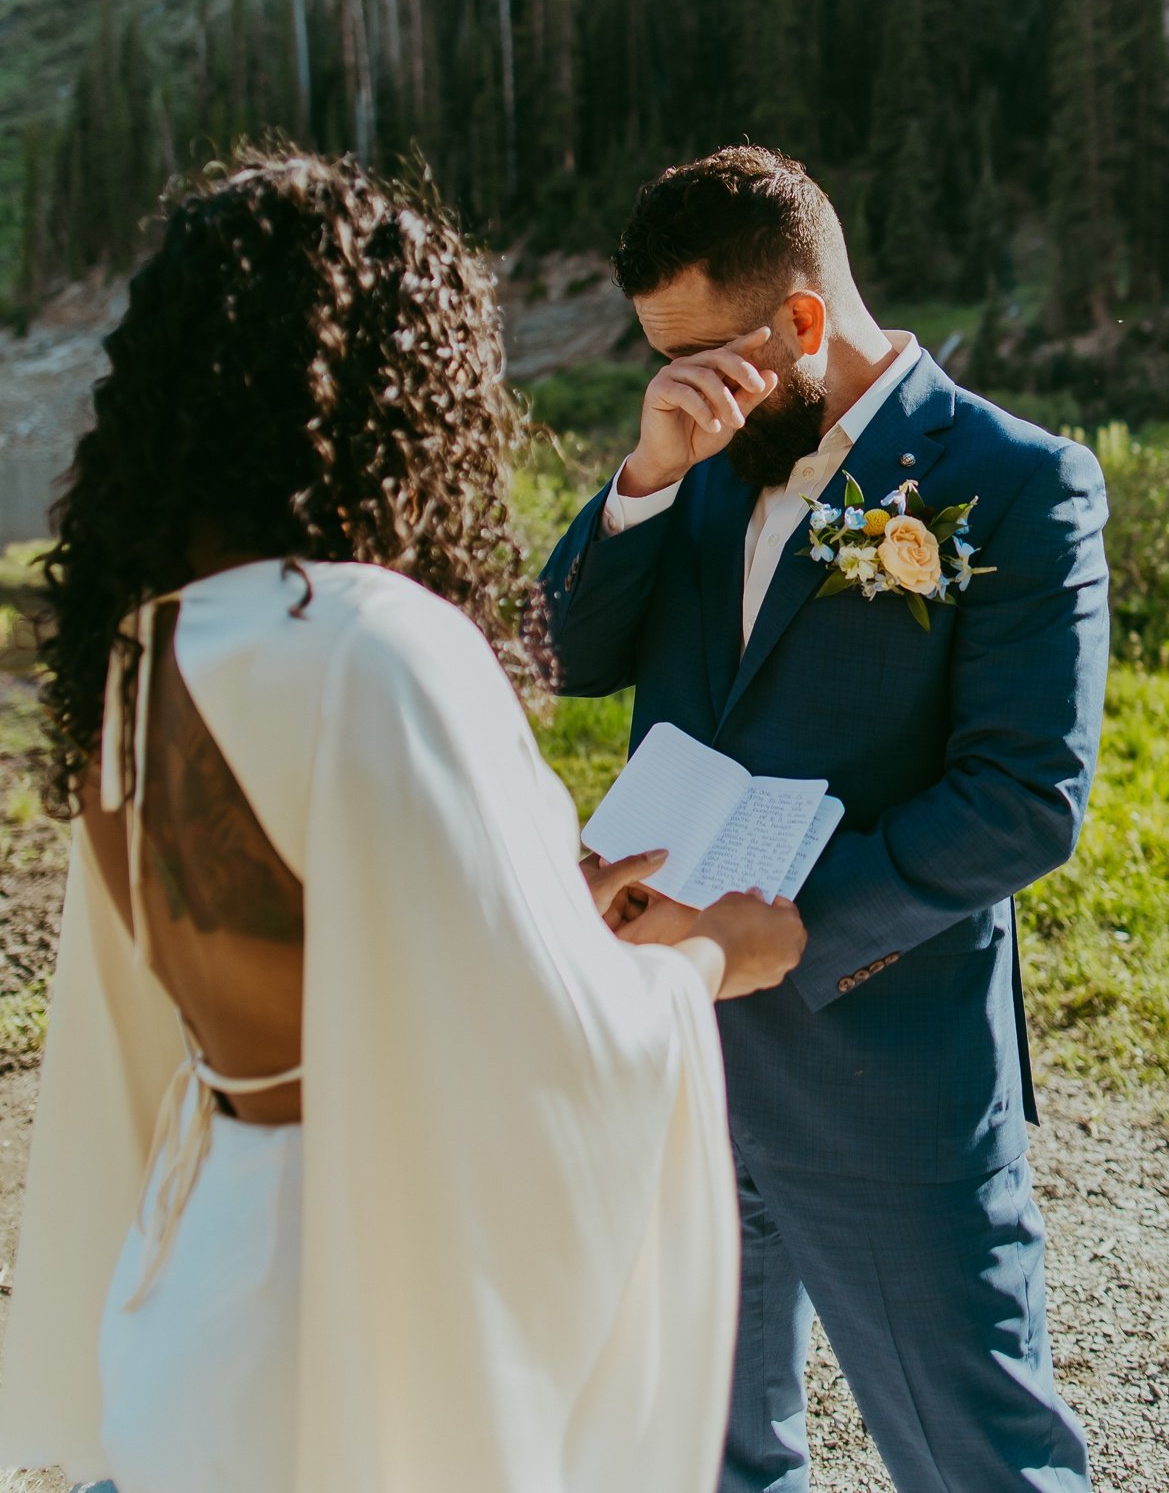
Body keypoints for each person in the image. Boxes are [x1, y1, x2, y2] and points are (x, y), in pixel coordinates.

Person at [0, 148, 806, 1493]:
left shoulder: (139, 652)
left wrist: (534, 886)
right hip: (362, 1315)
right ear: (406, 385)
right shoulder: (378, 643)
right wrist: (713, 955)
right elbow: (547, 1047)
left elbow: (269, 941)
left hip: (201, 1290)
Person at [542, 146, 1110, 1492]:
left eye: (704, 358)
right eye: (658, 362)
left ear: (801, 322)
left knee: (974, 1456)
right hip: (674, 1053)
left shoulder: (1016, 483)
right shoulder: (700, 460)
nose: (683, 385)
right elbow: (564, 655)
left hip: (880, 1063)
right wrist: (645, 472)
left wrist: (784, 932)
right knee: (700, 1452)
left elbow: (1024, 801)